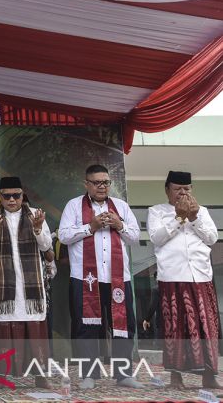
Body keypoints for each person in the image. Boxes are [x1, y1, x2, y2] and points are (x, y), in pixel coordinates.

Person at [58, 165, 142, 389]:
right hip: (85, 279)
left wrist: (119, 225)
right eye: (96, 182)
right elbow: (63, 236)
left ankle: (123, 375)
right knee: (87, 326)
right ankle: (89, 375)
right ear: (86, 184)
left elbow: (136, 237)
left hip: (117, 279)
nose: (102, 186)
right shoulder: (74, 206)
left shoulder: (121, 207)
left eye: (105, 182)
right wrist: (90, 227)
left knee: (123, 325)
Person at [148, 171, 221, 389]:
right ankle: (175, 377)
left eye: (187, 188)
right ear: (167, 190)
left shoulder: (202, 212)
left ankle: (209, 376)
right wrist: (179, 218)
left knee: (206, 327)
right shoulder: (156, 211)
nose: (183, 192)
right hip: (173, 278)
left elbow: (212, 238)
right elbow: (157, 238)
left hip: (201, 277)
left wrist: (194, 217)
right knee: (175, 327)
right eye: (178, 188)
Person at [0, 177, 52, 388]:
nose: (12, 200)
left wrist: (37, 229)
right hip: (4, 286)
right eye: (7, 196)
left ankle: (40, 376)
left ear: (22, 195)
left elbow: (46, 245)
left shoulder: (36, 215)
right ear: (0, 197)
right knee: (4, 329)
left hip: (30, 286)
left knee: (34, 328)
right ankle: (3, 376)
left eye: (16, 195)